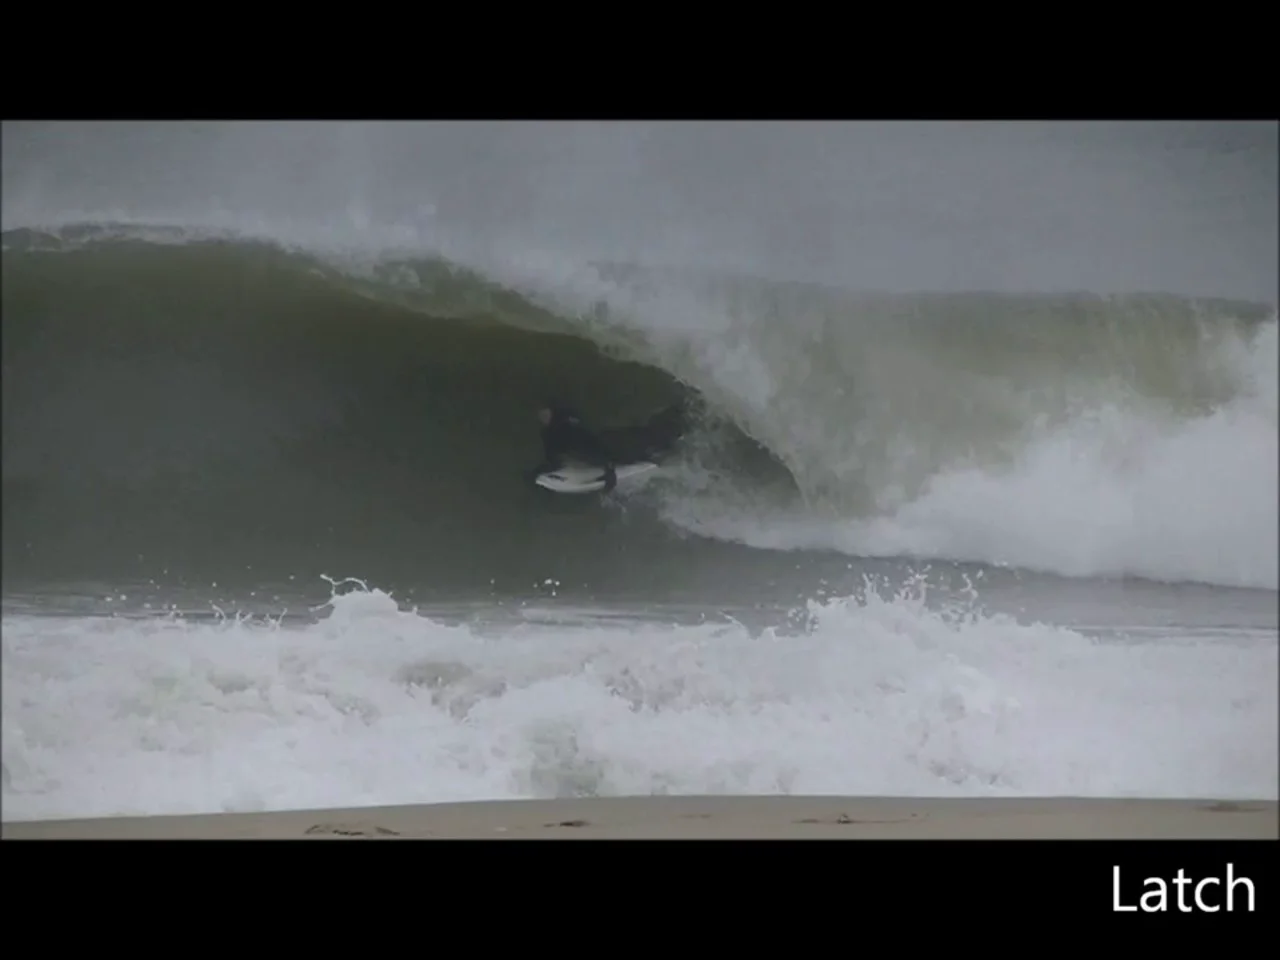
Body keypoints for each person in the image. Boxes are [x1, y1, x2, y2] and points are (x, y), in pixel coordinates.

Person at [533, 403, 618, 492]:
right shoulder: (547, 433)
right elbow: (550, 452)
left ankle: (609, 470)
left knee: (594, 453)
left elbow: (588, 439)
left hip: (582, 446)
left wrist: (607, 465)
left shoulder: (565, 423)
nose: (544, 418)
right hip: (568, 452)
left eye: (546, 414)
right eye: (541, 416)